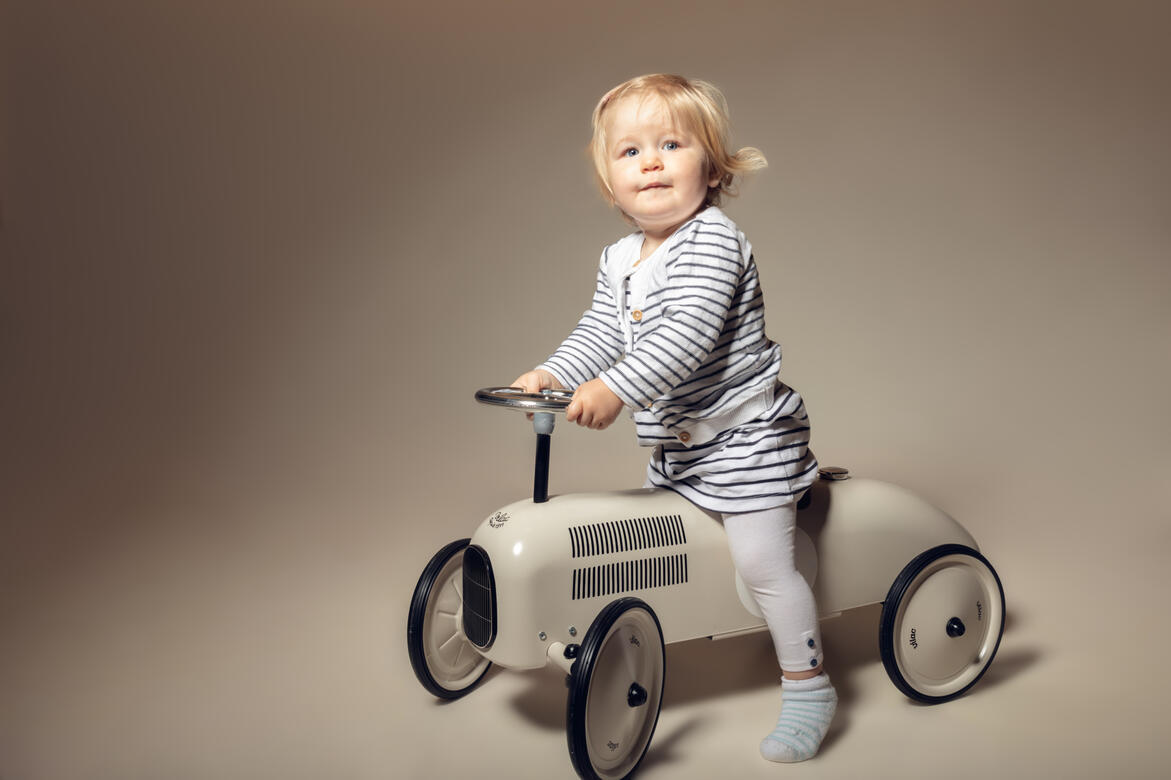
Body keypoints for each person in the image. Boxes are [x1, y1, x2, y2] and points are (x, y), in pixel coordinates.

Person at [511, 74, 836, 763]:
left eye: (670, 144)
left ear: (711, 166)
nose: (649, 162)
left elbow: (683, 336)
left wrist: (615, 389)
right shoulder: (621, 258)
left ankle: (808, 685)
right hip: (682, 450)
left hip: (746, 441)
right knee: (672, 546)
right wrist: (557, 373)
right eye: (628, 152)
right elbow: (601, 329)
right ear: (610, 180)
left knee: (761, 564)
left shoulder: (713, 242)